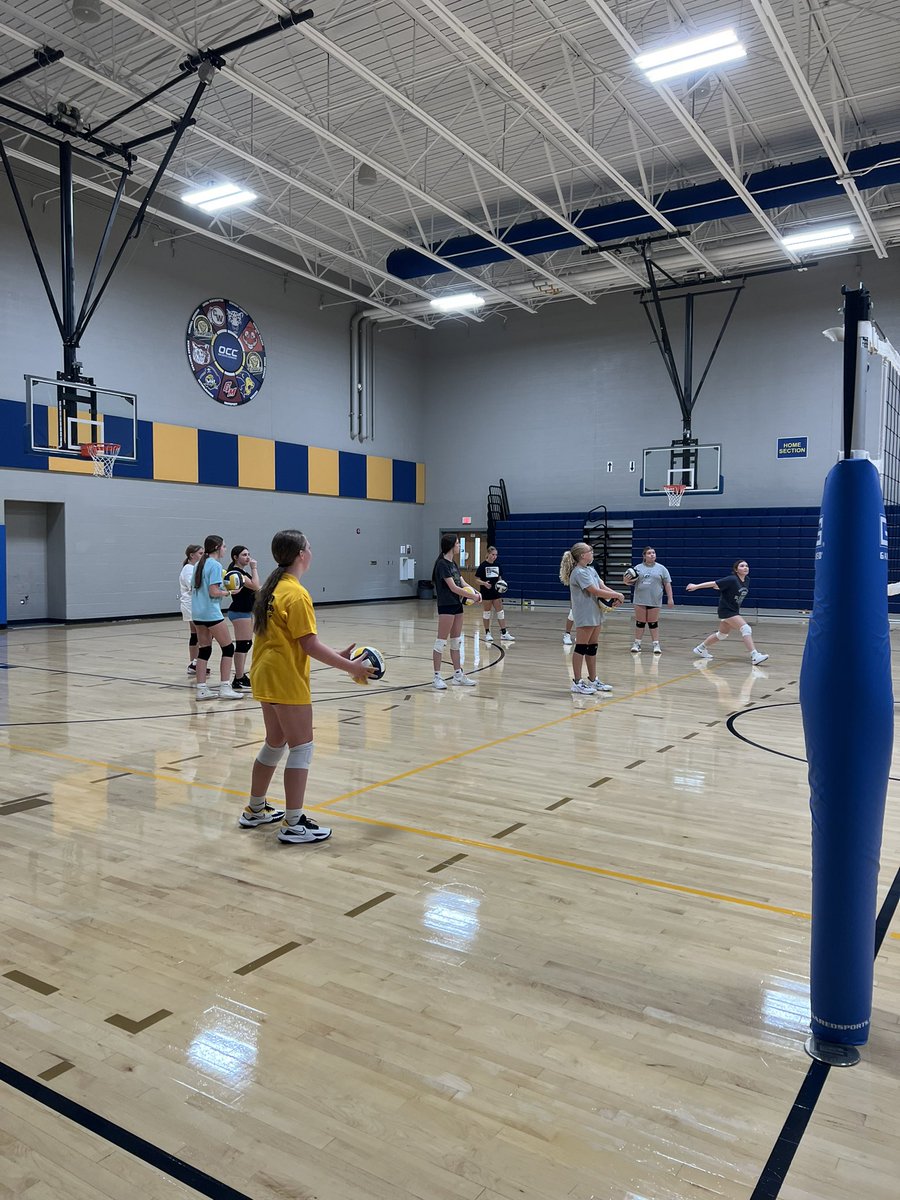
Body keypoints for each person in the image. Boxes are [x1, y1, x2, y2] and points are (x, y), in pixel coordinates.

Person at [240, 528, 372, 843]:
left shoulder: (273, 589)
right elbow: (309, 645)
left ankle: (255, 809)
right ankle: (294, 823)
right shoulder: (296, 593)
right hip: (284, 678)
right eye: (309, 547)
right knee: (302, 747)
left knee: (275, 743)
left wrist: (337, 655)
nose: (311, 552)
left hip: (264, 673)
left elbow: (297, 641)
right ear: (301, 554)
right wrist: (351, 666)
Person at [559, 542, 624, 695]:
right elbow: (594, 591)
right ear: (582, 555)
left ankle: (593, 679)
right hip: (584, 613)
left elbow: (602, 586)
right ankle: (576, 682)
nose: (592, 552)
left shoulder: (591, 570)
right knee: (581, 647)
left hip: (595, 612)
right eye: (590, 550)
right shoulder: (578, 572)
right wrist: (616, 595)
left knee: (592, 647)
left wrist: (617, 595)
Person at [687, 560, 769, 665]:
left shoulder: (747, 580)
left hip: (734, 610)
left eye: (747, 566)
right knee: (746, 629)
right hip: (727, 610)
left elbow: (725, 589)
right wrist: (696, 586)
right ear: (736, 569)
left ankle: (700, 648)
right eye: (742, 566)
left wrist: (721, 588)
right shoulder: (732, 579)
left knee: (722, 635)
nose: (745, 567)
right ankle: (755, 656)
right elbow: (714, 583)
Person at [191, 534, 242, 700]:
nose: (225, 549)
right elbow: (213, 592)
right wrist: (229, 592)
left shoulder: (199, 564)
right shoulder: (215, 565)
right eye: (224, 546)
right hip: (210, 613)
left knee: (204, 650)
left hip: (197, 613)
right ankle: (225, 687)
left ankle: (201, 689)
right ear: (217, 547)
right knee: (228, 648)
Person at [432, 534, 478, 689]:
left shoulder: (453, 564)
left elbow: (462, 581)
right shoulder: (442, 564)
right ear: (451, 545)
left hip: (457, 605)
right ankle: (437, 677)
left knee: (456, 641)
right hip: (446, 605)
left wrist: (476, 591)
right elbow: (453, 587)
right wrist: (472, 595)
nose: (460, 546)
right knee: (440, 643)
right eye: (458, 543)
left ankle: (458, 675)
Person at [224, 545, 260, 692]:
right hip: (239, 611)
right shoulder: (236, 572)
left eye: (248, 554)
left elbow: (255, 587)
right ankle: (238, 678)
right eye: (244, 555)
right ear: (235, 557)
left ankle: (240, 676)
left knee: (246, 644)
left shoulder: (241, 572)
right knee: (243, 644)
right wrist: (254, 568)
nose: (248, 557)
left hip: (245, 611)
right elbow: (255, 585)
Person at [625, 547, 674, 654]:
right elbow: (630, 582)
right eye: (649, 553)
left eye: (653, 553)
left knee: (653, 623)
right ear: (644, 556)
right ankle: (637, 643)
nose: (652, 555)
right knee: (640, 623)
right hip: (640, 600)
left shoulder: (662, 568)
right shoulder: (637, 568)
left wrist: (670, 598)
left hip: (654, 600)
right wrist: (626, 581)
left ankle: (656, 644)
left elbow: (667, 584)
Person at [475, 546, 514, 643]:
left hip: (496, 593)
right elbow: (476, 580)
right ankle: (487, 633)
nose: (494, 557)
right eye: (493, 554)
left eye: (496, 555)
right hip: (486, 593)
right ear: (488, 554)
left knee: (500, 612)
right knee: (487, 613)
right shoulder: (483, 566)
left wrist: (502, 584)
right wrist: (484, 583)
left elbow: (499, 578)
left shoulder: (498, 565)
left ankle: (504, 633)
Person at [179, 544, 202, 673]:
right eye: (200, 553)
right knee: (201, 633)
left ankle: (193, 663)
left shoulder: (193, 568)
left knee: (195, 634)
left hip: (192, 604)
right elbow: (193, 586)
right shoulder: (189, 569)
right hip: (190, 605)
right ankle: (195, 662)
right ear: (192, 555)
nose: (202, 556)